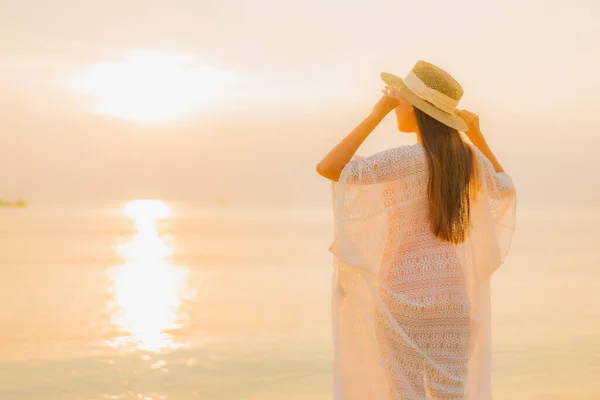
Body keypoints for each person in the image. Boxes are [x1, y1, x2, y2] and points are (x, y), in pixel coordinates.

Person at [316, 60, 516, 400]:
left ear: (419, 109)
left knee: (406, 393)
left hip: (401, 293)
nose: (398, 105)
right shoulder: (468, 160)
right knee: (450, 393)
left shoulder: (404, 160)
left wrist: (377, 112)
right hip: (452, 297)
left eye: (402, 100)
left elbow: (329, 166)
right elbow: (505, 189)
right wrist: (478, 139)